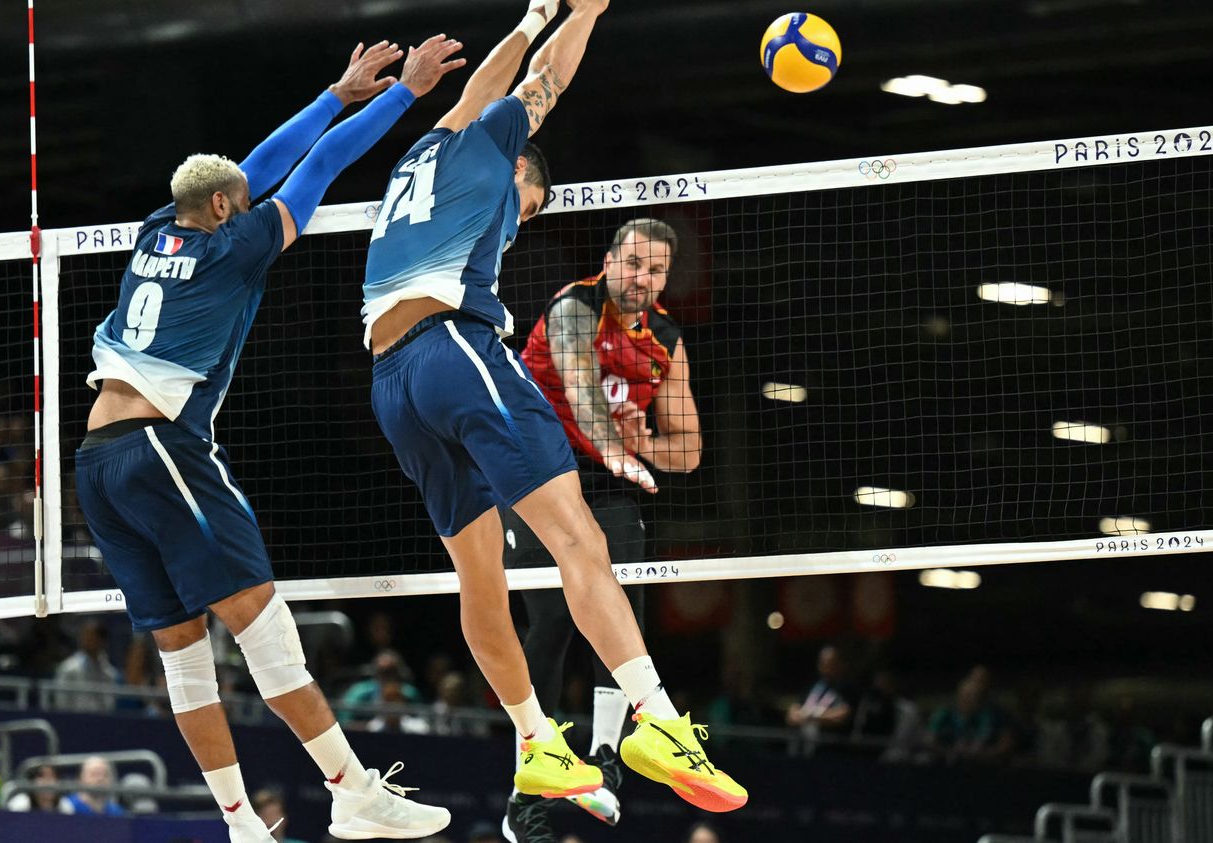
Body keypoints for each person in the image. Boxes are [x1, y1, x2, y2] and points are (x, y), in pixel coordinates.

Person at [361, 0, 745, 823]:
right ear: (516, 170)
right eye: (528, 205)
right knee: (581, 537)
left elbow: (489, 85)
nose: (522, 217)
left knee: (480, 574)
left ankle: (536, 741)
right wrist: (583, 11)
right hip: (452, 350)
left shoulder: (418, 157)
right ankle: (657, 719)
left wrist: (534, 14)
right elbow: (544, 83)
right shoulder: (494, 153)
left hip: (390, 384)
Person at [73, 37, 465, 843]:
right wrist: (402, 97)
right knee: (263, 627)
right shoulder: (235, 245)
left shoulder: (160, 229)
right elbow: (315, 166)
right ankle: (352, 789)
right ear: (225, 210)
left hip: (96, 465)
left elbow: (251, 166)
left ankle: (242, 824)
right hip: (159, 448)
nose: (249, 203)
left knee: (184, 655)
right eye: (240, 201)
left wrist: (335, 91)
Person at [502, 218, 696, 837]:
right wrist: (619, 447)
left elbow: (687, 450)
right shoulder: (574, 307)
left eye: (656, 270)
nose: (643, 278)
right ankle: (526, 792)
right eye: (634, 264)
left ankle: (605, 763)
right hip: (538, 480)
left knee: (622, 618)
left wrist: (647, 445)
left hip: (613, 491)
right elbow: (583, 396)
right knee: (555, 620)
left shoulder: (665, 336)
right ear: (610, 261)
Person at [786, 645, 855, 743]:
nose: (825, 667)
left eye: (830, 663)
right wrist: (801, 717)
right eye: (822, 663)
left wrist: (811, 717)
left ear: (841, 664)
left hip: (830, 747)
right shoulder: (813, 686)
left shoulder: (848, 689)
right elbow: (792, 714)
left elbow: (842, 715)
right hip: (802, 746)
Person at [53, 619, 122, 711]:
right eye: (85, 635)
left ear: (102, 641)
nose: (86, 640)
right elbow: (61, 702)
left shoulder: (110, 673)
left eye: (91, 637)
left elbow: (110, 704)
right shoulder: (69, 669)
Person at [58, 756, 125, 816]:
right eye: (94, 774)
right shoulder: (68, 806)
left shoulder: (117, 811)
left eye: (105, 775)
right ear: (80, 780)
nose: (100, 779)